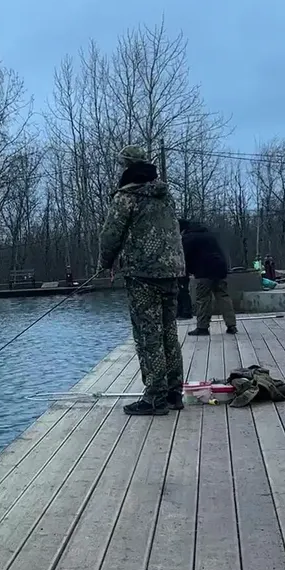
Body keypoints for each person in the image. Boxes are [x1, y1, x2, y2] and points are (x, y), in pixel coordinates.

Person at [99, 145, 187, 416]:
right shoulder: (165, 195)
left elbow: (111, 234)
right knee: (168, 332)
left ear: (126, 167)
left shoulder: (127, 196)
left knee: (148, 335)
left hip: (143, 273)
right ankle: (174, 393)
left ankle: (155, 397)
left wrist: (105, 263)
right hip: (172, 271)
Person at [179, 219, 237, 335]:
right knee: (223, 296)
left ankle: (202, 327)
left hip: (204, 271)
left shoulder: (188, 238)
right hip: (220, 268)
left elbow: (184, 258)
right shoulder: (209, 235)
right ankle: (231, 325)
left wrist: (185, 274)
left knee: (203, 298)